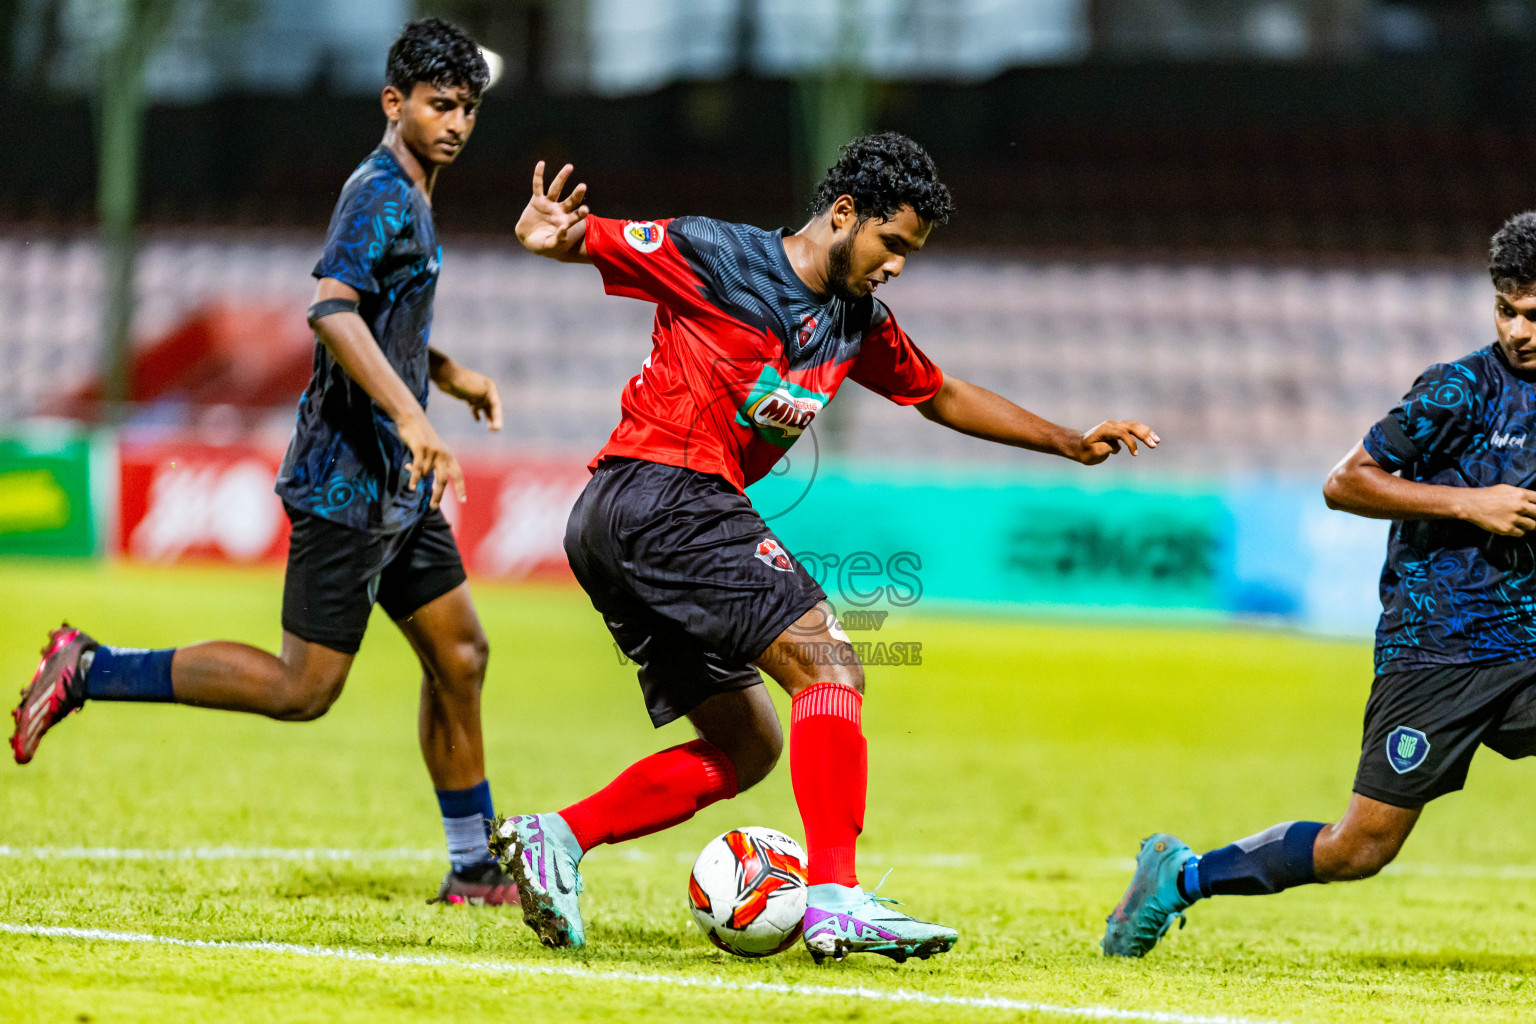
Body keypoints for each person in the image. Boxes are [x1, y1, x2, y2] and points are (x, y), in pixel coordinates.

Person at [501, 131, 1160, 962]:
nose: (897, 266)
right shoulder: (718, 254)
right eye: (892, 243)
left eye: (910, 253)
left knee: (750, 745)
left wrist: (1069, 442)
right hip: (664, 493)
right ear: (844, 214)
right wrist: (552, 234)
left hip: (622, 522)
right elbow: (579, 236)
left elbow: (941, 394)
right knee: (831, 666)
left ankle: (555, 837)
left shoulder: (855, 324)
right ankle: (838, 901)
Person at [10, 18, 518, 907]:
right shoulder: (379, 193)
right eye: (441, 105)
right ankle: (88, 667)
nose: (458, 122)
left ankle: (474, 869)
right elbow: (332, 312)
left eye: (468, 107)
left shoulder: (415, 186)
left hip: (395, 485)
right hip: (347, 485)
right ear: (394, 103)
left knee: (463, 655)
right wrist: (416, 419)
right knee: (302, 688)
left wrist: (447, 373)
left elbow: (385, 315)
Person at [1102, 210, 1536, 958]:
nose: (1519, 331)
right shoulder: (1458, 391)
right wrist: (1473, 503)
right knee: (1359, 848)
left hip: (1526, 646)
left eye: (1534, 314)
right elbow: (1346, 482)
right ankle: (1182, 875)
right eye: (1507, 310)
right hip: (1440, 648)